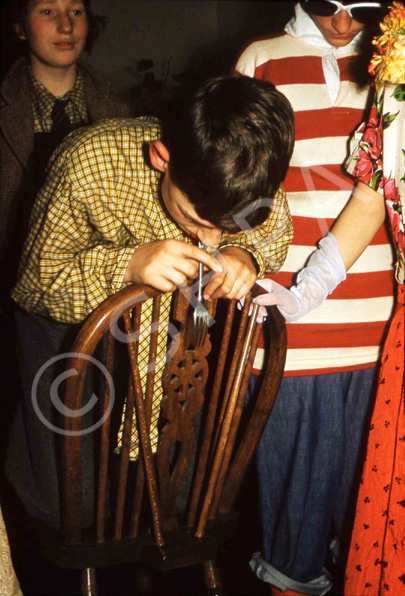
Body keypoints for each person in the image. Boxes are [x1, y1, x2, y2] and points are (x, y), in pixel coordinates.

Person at [5, 74, 295, 530]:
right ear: (162, 158)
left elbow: (277, 230)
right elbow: (33, 287)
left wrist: (247, 253)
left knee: (181, 496)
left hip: (173, 353)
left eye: (229, 227)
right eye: (197, 218)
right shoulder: (88, 163)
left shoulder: (248, 172)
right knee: (74, 506)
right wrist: (126, 266)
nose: (211, 239)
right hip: (70, 346)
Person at [234, 2, 395, 595]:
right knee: (293, 535)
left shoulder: (392, 66)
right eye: (332, 8)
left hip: (383, 329)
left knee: (370, 525)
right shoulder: (262, 60)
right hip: (291, 334)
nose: (345, 24)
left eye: (363, 10)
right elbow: (236, 181)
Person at [0, 0, 131, 303]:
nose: (66, 26)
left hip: (100, 298)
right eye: (47, 12)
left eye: (76, 12)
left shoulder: (122, 110)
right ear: (20, 26)